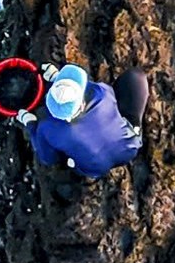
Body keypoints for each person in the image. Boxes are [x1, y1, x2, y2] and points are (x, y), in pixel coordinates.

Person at [16, 62, 148, 180]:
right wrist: (57, 77)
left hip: (95, 169)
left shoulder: (47, 128)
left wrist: (31, 123)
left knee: (67, 157)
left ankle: (78, 168)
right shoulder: (101, 94)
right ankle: (134, 128)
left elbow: (47, 158)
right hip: (130, 149)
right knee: (135, 77)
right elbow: (87, 86)